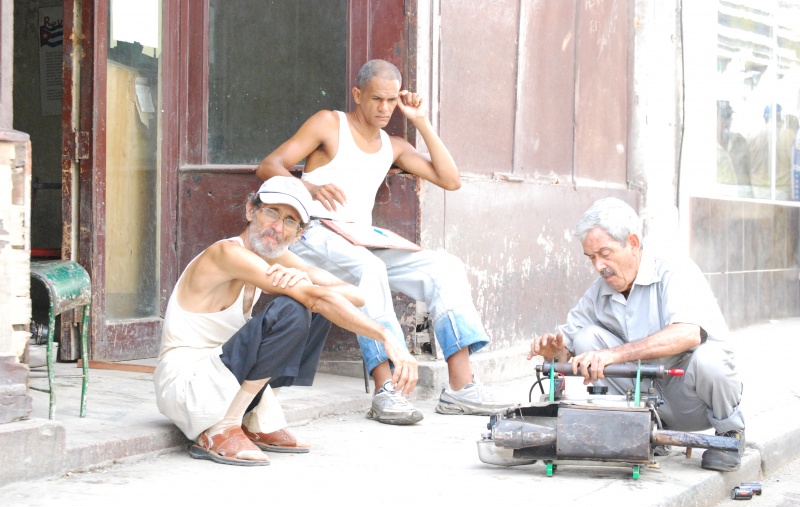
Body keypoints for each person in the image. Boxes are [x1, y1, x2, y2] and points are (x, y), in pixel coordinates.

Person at [256, 59, 509, 425]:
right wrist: (307, 186)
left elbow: (450, 180)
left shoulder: (394, 146)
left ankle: (461, 388)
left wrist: (421, 120)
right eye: (376, 99)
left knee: (445, 267)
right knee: (369, 269)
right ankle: (386, 389)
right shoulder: (330, 124)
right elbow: (269, 165)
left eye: (392, 101)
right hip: (313, 234)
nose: (384, 109)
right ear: (358, 94)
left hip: (359, 240)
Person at [153, 176, 417, 466]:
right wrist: (386, 336)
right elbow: (316, 298)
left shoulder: (277, 256)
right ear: (250, 211)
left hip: (220, 374)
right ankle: (223, 427)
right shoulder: (226, 253)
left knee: (312, 305)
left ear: (298, 233)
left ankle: (252, 420)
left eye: (290, 221)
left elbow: (355, 295)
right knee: (296, 308)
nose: (277, 228)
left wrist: (304, 278)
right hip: (186, 387)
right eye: (272, 213)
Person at [527, 197, 745, 472]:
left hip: (693, 399)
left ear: (632, 242)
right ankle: (642, 427)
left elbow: (688, 334)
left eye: (605, 254)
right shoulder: (600, 290)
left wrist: (614, 354)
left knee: (709, 358)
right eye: (591, 257)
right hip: (645, 399)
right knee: (586, 339)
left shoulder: (674, 269)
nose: (598, 266)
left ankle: (730, 435)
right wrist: (553, 351)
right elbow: (568, 350)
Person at [748, 103, 794, 200]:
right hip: (783, 190)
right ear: (781, 117)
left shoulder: (753, 136)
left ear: (764, 118)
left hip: (758, 189)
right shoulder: (790, 136)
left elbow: (746, 164)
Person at [716, 100, 751, 197]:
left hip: (741, 201)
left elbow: (749, 175)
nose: (727, 121)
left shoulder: (740, 142)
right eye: (723, 116)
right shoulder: (708, 146)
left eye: (729, 116)